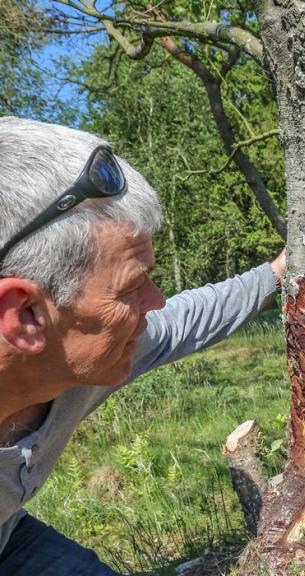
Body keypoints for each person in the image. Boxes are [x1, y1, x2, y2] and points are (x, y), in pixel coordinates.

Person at [0, 117, 285, 575]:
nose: (156, 302)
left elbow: (187, 319)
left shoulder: (81, 355)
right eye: (130, 288)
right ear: (26, 315)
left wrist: (277, 273)